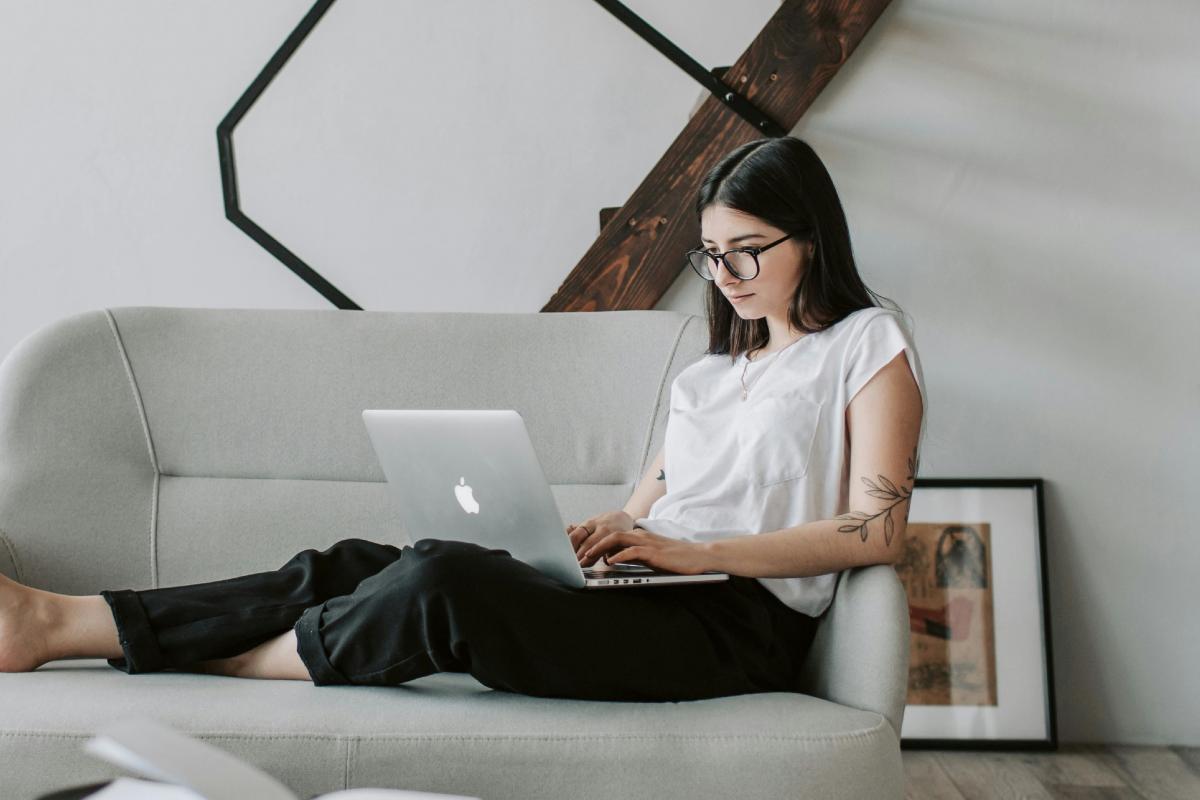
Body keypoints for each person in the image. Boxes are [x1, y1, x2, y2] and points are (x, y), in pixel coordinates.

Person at [0, 136, 925, 702]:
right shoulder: (713, 373)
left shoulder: (866, 344)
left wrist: (704, 554)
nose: (725, 277)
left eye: (748, 252)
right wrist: (613, 531)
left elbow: (878, 530)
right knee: (366, 560)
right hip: (657, 593)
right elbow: (649, 501)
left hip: (736, 626)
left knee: (442, 581)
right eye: (712, 255)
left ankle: (244, 660)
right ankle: (59, 620)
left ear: (812, 236)